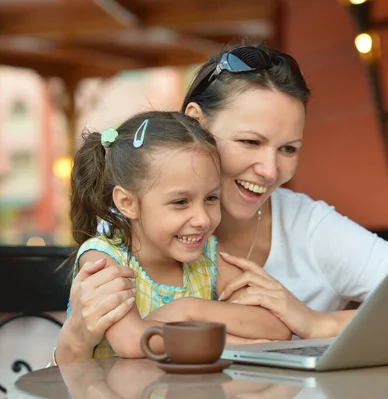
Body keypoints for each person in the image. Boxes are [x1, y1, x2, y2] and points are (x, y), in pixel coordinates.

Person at [54, 42, 388, 364]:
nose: (269, 171)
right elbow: (106, 352)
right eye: (250, 141)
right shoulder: (123, 236)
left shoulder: (296, 230)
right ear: (197, 122)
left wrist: (314, 321)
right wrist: (72, 343)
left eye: (288, 149)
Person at [65, 110, 290, 359]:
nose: (203, 219)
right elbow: (132, 342)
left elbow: (277, 326)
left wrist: (188, 310)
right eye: (181, 202)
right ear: (128, 203)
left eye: (211, 198)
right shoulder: (105, 259)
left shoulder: (209, 259)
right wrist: (228, 342)